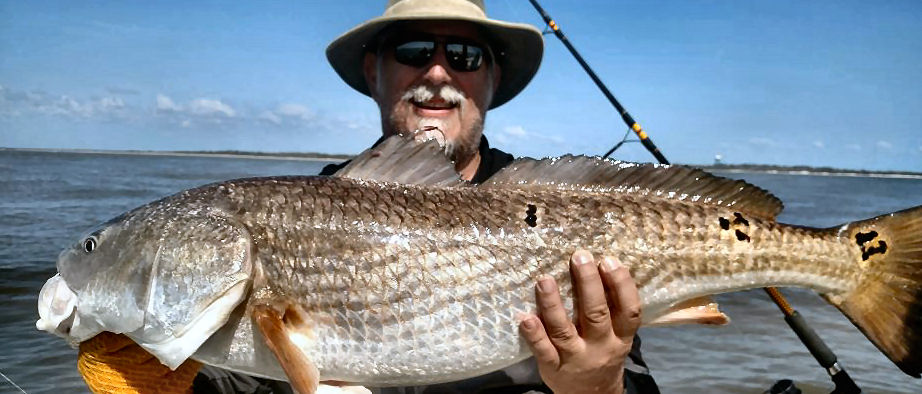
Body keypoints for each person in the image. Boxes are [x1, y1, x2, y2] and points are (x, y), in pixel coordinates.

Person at [76, 1, 659, 393]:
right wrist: (169, 373)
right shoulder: (305, 205)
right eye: (412, 52)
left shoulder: (575, 214)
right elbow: (254, 379)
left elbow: (637, 380)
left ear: (491, 80)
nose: (438, 73)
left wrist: (603, 387)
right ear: (373, 70)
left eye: (464, 57)